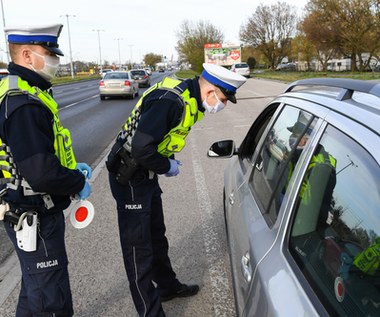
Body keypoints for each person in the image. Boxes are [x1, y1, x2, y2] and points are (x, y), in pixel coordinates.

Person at [107, 63, 247, 316]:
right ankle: (151, 312)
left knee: (156, 236)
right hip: (130, 176)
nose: (222, 105)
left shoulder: (187, 97)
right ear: (210, 91)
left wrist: (161, 165)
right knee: (139, 250)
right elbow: (140, 148)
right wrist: (166, 165)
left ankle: (168, 287)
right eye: (223, 99)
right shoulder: (171, 101)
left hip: (145, 173)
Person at [0, 24, 92, 317]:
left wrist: (68, 167)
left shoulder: (19, 90)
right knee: (52, 302)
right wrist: (76, 180)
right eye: (49, 53)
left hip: (23, 210)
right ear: (26, 55)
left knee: (33, 292)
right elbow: (40, 173)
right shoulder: (24, 103)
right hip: (35, 216)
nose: (55, 60)